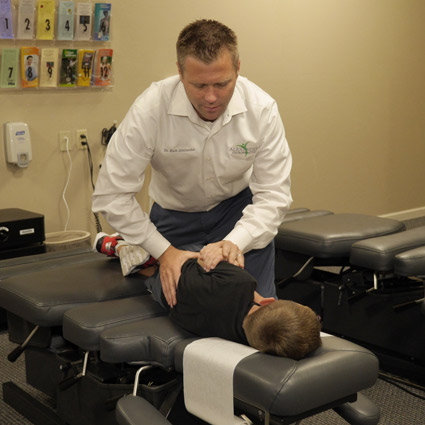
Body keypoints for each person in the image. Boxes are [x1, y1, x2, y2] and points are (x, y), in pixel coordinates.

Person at [92, 19, 293, 309]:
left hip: (237, 212)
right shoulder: (151, 109)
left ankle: (133, 250)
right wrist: (165, 253)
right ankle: (143, 260)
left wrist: (235, 241)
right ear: (179, 71)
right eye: (199, 85)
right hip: (174, 218)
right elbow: (112, 195)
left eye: (222, 84)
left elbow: (274, 195)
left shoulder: (261, 109)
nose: (211, 97)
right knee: (190, 306)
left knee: (258, 311)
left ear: (238, 68)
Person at [95, 233, 322, 360]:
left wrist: (211, 253)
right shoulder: (240, 339)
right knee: (159, 277)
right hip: (166, 297)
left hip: (181, 271)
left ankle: (129, 248)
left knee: (204, 247)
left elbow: (206, 260)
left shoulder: (242, 282)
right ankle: (134, 259)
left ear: (268, 300)